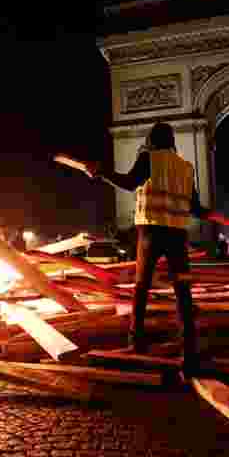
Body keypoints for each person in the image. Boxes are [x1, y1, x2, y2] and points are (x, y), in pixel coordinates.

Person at [84, 122, 208, 377]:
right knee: (182, 290)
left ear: (151, 139)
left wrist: (102, 173)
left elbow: (129, 183)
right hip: (176, 235)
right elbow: (194, 206)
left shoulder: (147, 158)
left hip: (151, 233)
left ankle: (137, 340)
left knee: (141, 287)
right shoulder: (185, 167)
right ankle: (189, 350)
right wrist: (207, 212)